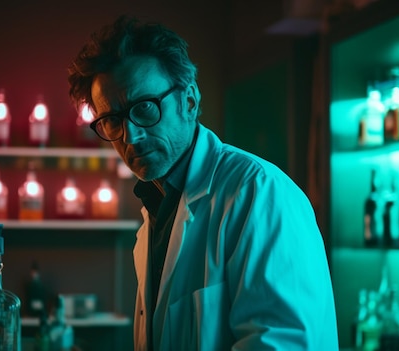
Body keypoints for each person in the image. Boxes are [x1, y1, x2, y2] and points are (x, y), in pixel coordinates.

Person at [67, 15, 338, 351]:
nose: (131, 136)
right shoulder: (156, 209)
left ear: (189, 101)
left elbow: (284, 344)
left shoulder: (258, 193)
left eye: (145, 108)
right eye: (112, 120)